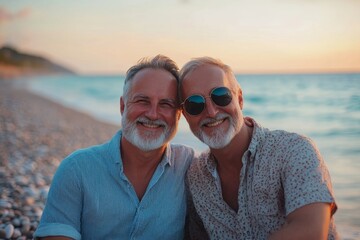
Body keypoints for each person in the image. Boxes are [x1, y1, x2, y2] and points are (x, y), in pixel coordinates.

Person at [34, 55, 194, 240]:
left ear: (179, 115)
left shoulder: (190, 168)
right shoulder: (76, 169)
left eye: (166, 104)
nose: (152, 114)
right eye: (142, 101)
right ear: (122, 106)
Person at [179, 57, 338, 239]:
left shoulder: (293, 151)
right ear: (185, 115)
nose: (211, 111)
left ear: (239, 99)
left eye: (221, 96)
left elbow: (311, 232)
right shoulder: (195, 178)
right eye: (195, 104)